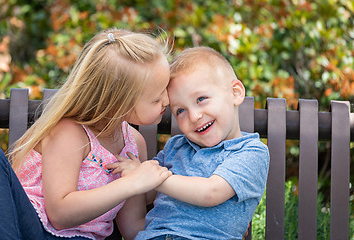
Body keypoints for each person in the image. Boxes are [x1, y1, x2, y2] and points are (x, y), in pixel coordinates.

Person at [0, 28, 173, 240]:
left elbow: (133, 227)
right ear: (118, 103)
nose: (167, 100)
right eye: (156, 98)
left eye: (166, 89)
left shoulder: (134, 144)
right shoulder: (70, 134)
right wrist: (131, 183)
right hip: (30, 228)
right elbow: (59, 215)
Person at [112, 46, 270, 240]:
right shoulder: (175, 147)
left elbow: (210, 192)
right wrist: (131, 176)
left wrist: (151, 178)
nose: (194, 116)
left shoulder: (251, 152)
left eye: (201, 99)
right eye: (180, 111)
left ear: (235, 92)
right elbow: (146, 195)